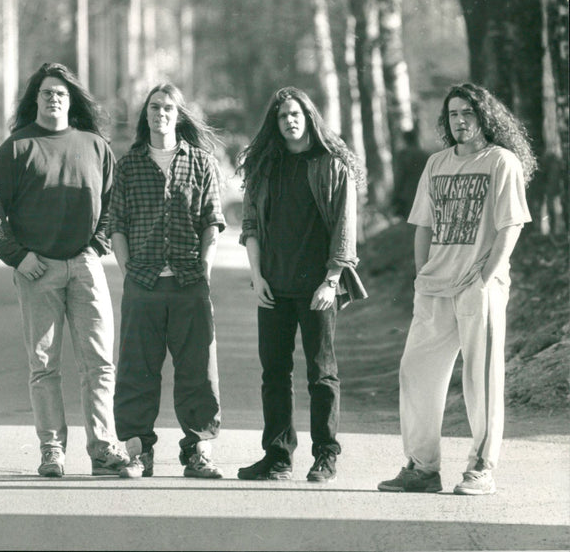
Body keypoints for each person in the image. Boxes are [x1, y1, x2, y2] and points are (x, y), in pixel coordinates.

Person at [378, 83, 535, 495]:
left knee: (481, 381)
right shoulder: (437, 164)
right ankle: (422, 468)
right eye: (453, 115)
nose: (460, 121)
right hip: (434, 287)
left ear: (485, 117)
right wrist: (421, 275)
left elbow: (510, 227)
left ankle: (481, 468)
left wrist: (484, 279)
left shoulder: (501, 162)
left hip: (477, 288)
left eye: (468, 113)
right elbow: (423, 225)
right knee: (416, 373)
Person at [0, 62, 128, 478]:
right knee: (44, 366)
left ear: (72, 100)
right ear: (35, 100)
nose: (54, 98)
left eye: (61, 93)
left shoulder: (96, 146)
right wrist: (17, 255)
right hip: (36, 269)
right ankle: (52, 451)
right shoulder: (16, 148)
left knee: (99, 363)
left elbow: (114, 204)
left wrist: (96, 246)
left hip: (85, 264)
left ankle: (102, 448)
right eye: (46, 93)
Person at [235, 87, 367, 482]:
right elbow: (251, 227)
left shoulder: (331, 165)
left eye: (296, 114)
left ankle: (325, 455)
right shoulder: (265, 168)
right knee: (273, 374)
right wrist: (257, 277)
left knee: (321, 373)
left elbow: (345, 228)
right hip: (273, 285)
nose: (290, 121)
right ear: (274, 124)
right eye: (282, 116)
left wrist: (332, 280)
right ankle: (277, 456)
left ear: (309, 117)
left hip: (317, 288)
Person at [108, 83, 225, 479]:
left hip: (189, 280)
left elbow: (212, 220)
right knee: (137, 370)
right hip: (143, 283)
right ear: (146, 116)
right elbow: (116, 224)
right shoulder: (128, 165)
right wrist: (127, 270)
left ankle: (198, 451)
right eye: (154, 107)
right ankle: (139, 452)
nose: (161, 114)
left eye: (168, 108)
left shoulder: (201, 163)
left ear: (179, 115)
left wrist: (206, 266)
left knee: (197, 370)